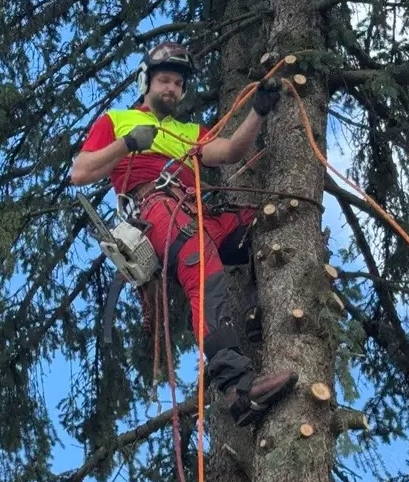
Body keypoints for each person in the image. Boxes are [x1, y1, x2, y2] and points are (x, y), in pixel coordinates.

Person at [70, 42, 297, 426]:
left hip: (193, 208)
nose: (171, 89)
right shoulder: (118, 120)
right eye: (164, 80)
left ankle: (259, 312)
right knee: (201, 267)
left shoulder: (187, 131)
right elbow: (81, 172)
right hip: (155, 208)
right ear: (147, 82)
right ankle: (237, 388)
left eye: (177, 83)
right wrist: (127, 144)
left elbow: (230, 151)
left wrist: (258, 112)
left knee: (263, 224)